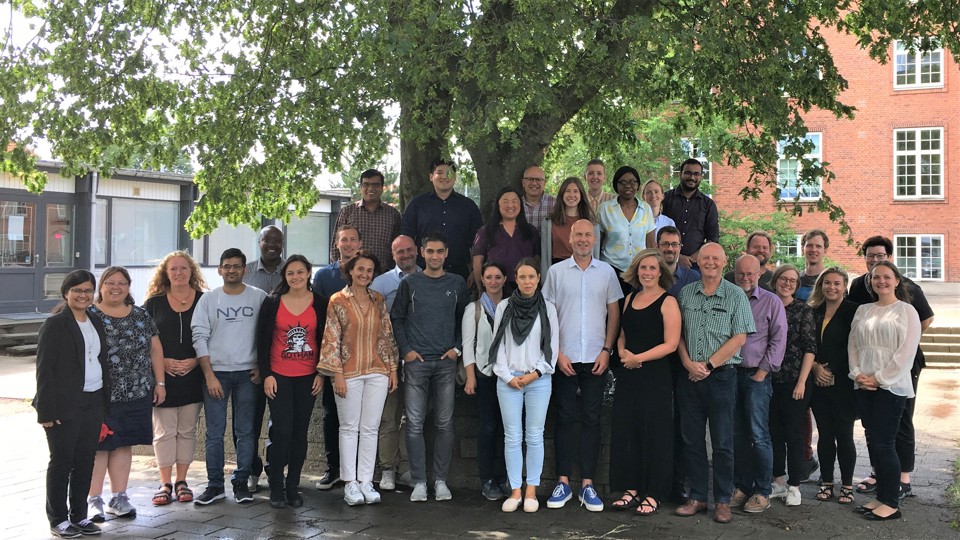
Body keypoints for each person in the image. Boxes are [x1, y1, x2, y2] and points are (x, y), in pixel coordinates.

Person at [542, 219, 623, 513]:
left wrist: (607, 349)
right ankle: (562, 481)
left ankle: (587, 485)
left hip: (596, 358)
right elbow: (547, 315)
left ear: (595, 239)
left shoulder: (607, 273)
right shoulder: (556, 272)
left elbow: (614, 312)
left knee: (591, 419)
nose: (583, 239)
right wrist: (557, 353)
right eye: (579, 234)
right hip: (564, 359)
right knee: (563, 418)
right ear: (570, 238)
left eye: (589, 235)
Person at [848, 236, 934, 498]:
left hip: (899, 371)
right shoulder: (859, 289)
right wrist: (859, 373)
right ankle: (880, 476)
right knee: (874, 430)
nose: (876, 261)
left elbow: (925, 320)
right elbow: (854, 337)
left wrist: (884, 373)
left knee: (901, 423)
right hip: (866, 372)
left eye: (881, 256)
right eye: (871, 256)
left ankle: (902, 480)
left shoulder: (909, 294)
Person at [674, 243, 755, 525]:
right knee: (691, 440)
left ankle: (722, 501)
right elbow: (677, 334)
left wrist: (708, 366)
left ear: (724, 263)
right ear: (699, 263)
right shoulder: (686, 293)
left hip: (721, 377)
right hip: (689, 376)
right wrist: (687, 363)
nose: (709, 262)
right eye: (705, 258)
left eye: (715, 259)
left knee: (722, 443)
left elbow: (740, 337)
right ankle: (696, 497)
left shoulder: (735, 295)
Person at [391, 232, 470, 502]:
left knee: (445, 423)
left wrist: (457, 348)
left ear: (446, 253)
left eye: (440, 251)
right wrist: (407, 351)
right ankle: (419, 482)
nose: (435, 256)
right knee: (413, 423)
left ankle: (440, 480)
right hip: (417, 363)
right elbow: (397, 318)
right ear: (422, 253)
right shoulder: (410, 283)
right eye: (430, 251)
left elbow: (466, 319)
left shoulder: (457, 283)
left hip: (446, 363)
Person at [35, 270, 112, 538]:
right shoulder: (55, 324)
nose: (83, 295)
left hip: (94, 400)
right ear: (66, 293)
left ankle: (79, 515)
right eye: (77, 290)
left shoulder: (95, 321)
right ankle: (58, 519)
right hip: (64, 403)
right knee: (62, 461)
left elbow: (100, 361)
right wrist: (45, 410)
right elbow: (44, 370)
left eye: (88, 290)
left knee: (85, 460)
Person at [319, 251, 399, 506]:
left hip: (377, 371)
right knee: (349, 428)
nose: (365, 274)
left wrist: (393, 369)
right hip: (348, 373)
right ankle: (349, 483)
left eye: (369, 270)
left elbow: (386, 335)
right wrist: (337, 375)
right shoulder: (337, 300)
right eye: (360, 269)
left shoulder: (378, 299)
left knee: (371, 428)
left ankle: (366, 481)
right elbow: (331, 339)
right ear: (351, 271)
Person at [86, 266, 165, 522]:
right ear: (101, 286)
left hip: (137, 392)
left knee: (123, 444)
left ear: (128, 287)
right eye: (110, 282)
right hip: (100, 393)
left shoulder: (141, 315)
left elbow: (155, 349)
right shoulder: (90, 315)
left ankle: (119, 497)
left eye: (121, 283)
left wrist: (160, 383)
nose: (116, 287)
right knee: (98, 447)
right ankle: (92, 500)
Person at [192, 248, 267, 505]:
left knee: (246, 432)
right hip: (217, 374)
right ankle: (215, 485)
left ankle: (241, 483)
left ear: (245, 269)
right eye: (227, 266)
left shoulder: (259, 297)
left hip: (248, 374)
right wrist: (209, 375)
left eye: (237, 266)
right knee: (214, 432)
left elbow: (270, 334)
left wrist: (262, 366)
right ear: (220, 269)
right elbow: (199, 337)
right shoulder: (209, 300)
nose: (232, 270)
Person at [609, 249, 681, 516]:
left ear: (661, 272)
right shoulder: (629, 298)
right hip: (629, 374)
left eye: (652, 268)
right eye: (643, 268)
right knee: (629, 431)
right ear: (636, 271)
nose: (647, 272)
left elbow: (671, 344)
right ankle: (631, 488)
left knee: (655, 433)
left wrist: (638, 358)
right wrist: (624, 352)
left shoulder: (668, 302)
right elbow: (621, 334)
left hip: (655, 376)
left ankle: (653, 492)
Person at [256, 255, 329, 508]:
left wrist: (321, 373)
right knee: (282, 431)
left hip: (308, 377)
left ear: (309, 273)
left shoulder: (320, 303)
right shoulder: (273, 302)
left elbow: (325, 341)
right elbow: (261, 340)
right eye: (290, 273)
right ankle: (276, 484)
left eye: (300, 272)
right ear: (284, 277)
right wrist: (266, 374)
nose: (295, 277)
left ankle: (292, 485)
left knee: (300, 433)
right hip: (279, 376)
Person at [491, 259, 559, 513]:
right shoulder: (503, 307)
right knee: (512, 436)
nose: (527, 281)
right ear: (515, 280)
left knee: (534, 436)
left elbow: (552, 348)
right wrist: (508, 376)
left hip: (538, 381)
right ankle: (515, 490)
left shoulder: (548, 308)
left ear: (538, 278)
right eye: (522, 277)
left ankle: (531, 489)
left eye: (531, 276)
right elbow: (497, 346)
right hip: (508, 380)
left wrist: (532, 375)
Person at [143, 252, 208, 507]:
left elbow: (211, 335)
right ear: (165, 273)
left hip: (193, 374)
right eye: (173, 269)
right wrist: (163, 362)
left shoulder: (204, 301)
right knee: (164, 432)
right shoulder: (153, 304)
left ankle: (182, 481)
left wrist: (195, 360)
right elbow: (145, 341)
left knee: (187, 430)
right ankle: (165, 482)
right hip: (163, 377)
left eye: (183, 268)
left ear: (192, 271)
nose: (179, 273)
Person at [729, 255, 786, 515]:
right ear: (734, 272)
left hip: (756, 376)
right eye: (741, 273)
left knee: (759, 435)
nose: (746, 278)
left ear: (759, 274)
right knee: (737, 435)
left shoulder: (771, 301)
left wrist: (763, 372)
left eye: (751, 274)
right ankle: (742, 486)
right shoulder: (729, 297)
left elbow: (778, 340)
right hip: (729, 375)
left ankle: (762, 491)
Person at [313, 224, 362, 490]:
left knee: (362, 418)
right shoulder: (323, 276)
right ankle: (334, 468)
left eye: (353, 240)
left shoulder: (369, 271)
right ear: (337, 243)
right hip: (334, 359)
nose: (348, 244)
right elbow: (318, 320)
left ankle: (359, 470)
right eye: (344, 240)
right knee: (332, 414)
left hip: (362, 358)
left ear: (359, 243)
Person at [370, 235, 420, 490]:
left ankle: (407, 468)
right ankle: (387, 468)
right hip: (388, 359)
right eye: (400, 251)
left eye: (410, 250)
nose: (406, 254)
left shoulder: (428, 277)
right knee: (389, 417)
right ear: (393, 254)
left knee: (413, 418)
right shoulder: (380, 283)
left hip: (419, 359)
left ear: (418, 251)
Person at [808, 267, 859, 505]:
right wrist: (816, 367)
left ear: (844, 286)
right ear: (821, 285)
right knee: (825, 435)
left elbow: (857, 346)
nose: (832, 287)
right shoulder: (814, 311)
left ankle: (847, 485)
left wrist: (834, 371)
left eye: (837, 283)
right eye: (827, 283)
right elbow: (807, 344)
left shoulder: (853, 311)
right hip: (818, 382)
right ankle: (826, 481)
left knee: (844, 435)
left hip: (844, 385)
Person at [768, 264, 817, 507]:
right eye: (783, 279)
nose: (787, 284)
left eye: (793, 281)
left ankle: (795, 486)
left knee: (793, 435)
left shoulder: (802, 310)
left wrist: (801, 382)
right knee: (773, 432)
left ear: (797, 286)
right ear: (775, 280)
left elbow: (810, 348)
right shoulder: (767, 304)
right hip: (769, 379)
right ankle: (778, 482)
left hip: (795, 381)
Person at [242, 224, 285, 494]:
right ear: (259, 242)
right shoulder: (245, 272)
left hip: (282, 360)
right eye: (267, 240)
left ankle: (274, 468)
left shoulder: (290, 271)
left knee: (279, 422)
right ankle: (250, 469)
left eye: (277, 241)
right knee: (250, 422)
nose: (272, 245)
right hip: (251, 359)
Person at [462, 261, 510, 501]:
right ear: (482, 280)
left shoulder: (511, 306)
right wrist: (470, 377)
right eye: (489, 277)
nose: (493, 281)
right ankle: (487, 479)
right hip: (485, 375)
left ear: (504, 279)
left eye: (497, 277)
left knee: (506, 428)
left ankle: (504, 477)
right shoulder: (475, 309)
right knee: (488, 427)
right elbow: (467, 345)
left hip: (508, 376)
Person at [400, 159, 483, 280]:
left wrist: (475, 271)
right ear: (431, 176)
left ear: (455, 177)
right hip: (423, 272)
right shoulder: (418, 204)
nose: (444, 177)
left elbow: (478, 243)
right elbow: (406, 236)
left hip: (459, 273)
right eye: (439, 172)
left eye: (449, 173)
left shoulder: (468, 206)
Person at [596, 165, 656, 295]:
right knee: (613, 309)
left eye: (632, 182)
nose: (628, 185)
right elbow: (597, 244)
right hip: (611, 269)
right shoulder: (605, 209)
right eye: (622, 182)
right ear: (616, 186)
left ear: (638, 185)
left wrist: (654, 268)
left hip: (639, 270)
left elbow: (651, 245)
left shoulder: (646, 209)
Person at [330, 169, 402, 270]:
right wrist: (341, 271)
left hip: (383, 275)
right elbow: (336, 244)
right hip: (353, 275)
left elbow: (397, 247)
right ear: (361, 188)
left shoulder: (393, 214)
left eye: (375, 185)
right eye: (366, 184)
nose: (370, 188)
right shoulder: (347, 212)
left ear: (382, 188)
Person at [471, 187, 540, 291]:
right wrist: (481, 289)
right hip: (495, 289)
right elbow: (477, 262)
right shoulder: (485, 232)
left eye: (514, 201)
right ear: (498, 205)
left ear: (520, 205)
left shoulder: (530, 231)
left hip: (524, 290)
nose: (510, 205)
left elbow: (537, 260)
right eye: (505, 201)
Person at [661, 158, 719, 270]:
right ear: (680, 174)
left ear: (701, 176)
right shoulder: (665, 199)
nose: (692, 177)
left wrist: (691, 259)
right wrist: (678, 258)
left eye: (696, 174)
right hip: (666, 262)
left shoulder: (708, 205)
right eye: (688, 173)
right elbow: (655, 231)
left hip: (696, 265)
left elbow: (713, 239)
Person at [540, 177, 599, 265]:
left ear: (581, 195)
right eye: (567, 191)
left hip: (583, 268)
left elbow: (596, 254)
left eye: (575, 191)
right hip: (557, 269)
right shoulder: (549, 221)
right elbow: (544, 255)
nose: (571, 195)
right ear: (562, 194)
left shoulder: (591, 222)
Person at [657, 226, 700, 299]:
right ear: (657, 247)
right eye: (665, 244)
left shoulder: (693, 278)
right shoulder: (648, 276)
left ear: (680, 248)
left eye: (674, 244)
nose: (670, 249)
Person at [795, 229, 828, 302]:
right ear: (802, 250)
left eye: (818, 246)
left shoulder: (832, 281)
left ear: (825, 250)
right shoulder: (794, 280)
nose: (813, 250)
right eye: (809, 246)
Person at [519, 165, 555, 233]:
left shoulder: (556, 204)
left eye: (538, 179)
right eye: (530, 179)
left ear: (544, 183)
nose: (534, 183)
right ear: (523, 183)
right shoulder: (515, 205)